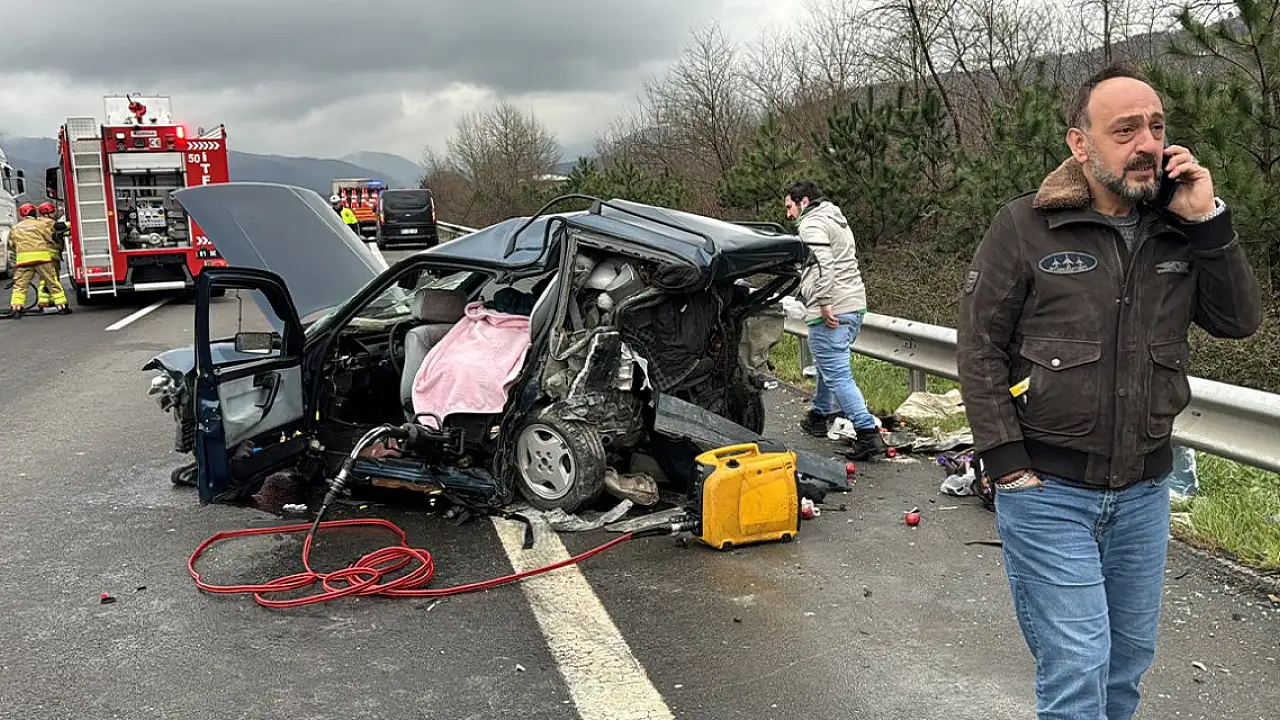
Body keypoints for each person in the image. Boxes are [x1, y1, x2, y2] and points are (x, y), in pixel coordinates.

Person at [956, 64, 1262, 720]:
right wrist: (1007, 466)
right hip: (1047, 493)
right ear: (1080, 144)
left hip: (1144, 496)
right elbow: (979, 348)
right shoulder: (1026, 227)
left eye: (1156, 127)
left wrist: (1208, 222)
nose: (1146, 143)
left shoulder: (1180, 228)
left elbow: (1238, 322)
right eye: (1125, 131)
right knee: (1079, 666)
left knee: (1125, 669)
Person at [784, 180, 885, 460]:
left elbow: (823, 263)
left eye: (790, 207)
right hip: (854, 304)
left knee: (838, 374)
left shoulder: (812, 223)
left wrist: (823, 301)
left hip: (833, 307)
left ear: (804, 202)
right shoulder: (836, 219)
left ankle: (867, 434)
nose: (789, 214)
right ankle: (819, 415)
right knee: (828, 365)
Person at [6, 203, 71, 315]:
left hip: (23, 260)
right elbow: (50, 238)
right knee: (52, 282)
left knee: (20, 285)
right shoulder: (40, 225)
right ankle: (62, 307)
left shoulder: (15, 228)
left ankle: (16, 308)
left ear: (21, 215)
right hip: (42, 259)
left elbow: (11, 245)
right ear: (34, 213)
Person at [34, 201, 67, 309]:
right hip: (51, 255)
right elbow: (64, 228)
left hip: (41, 255)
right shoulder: (49, 222)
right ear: (47, 213)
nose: (54, 214)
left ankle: (46, 301)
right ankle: (52, 301)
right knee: (52, 279)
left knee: (45, 279)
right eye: (53, 212)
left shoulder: (37, 223)